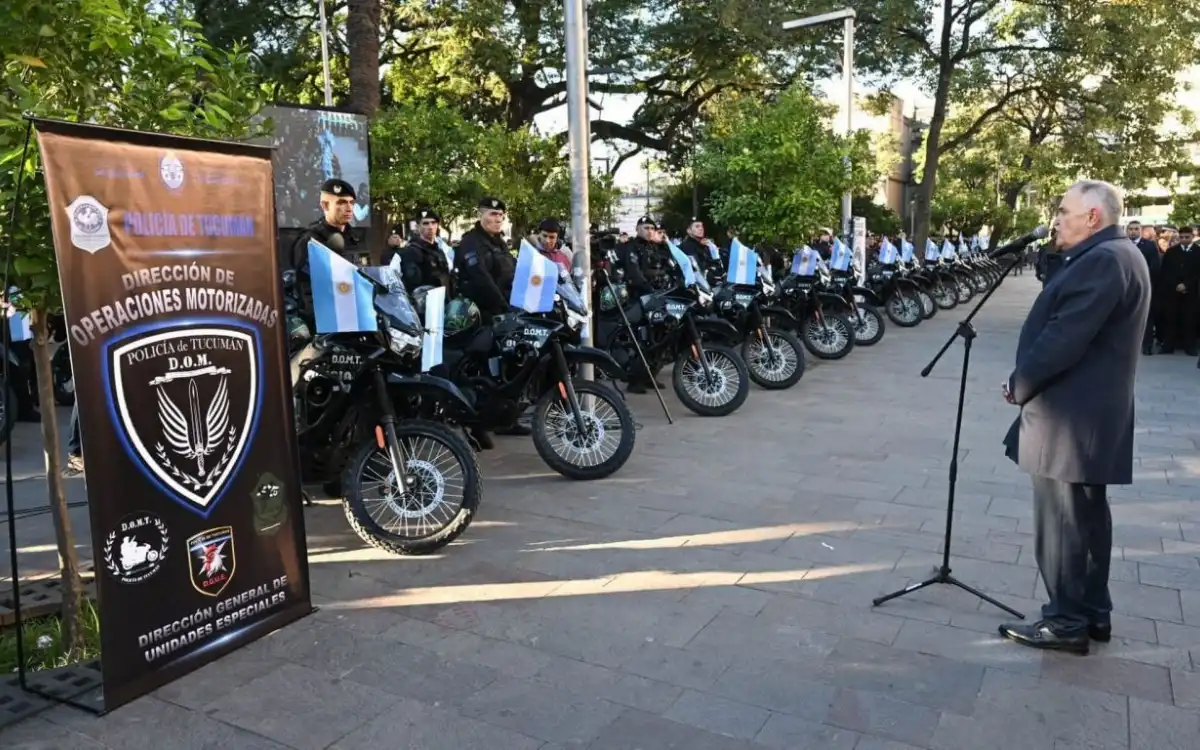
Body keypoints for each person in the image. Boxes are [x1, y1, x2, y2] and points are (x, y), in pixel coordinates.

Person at [998, 180, 1151, 655]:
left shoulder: (1103, 260)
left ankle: (1066, 621)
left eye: (1064, 211)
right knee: (1085, 520)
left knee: (1063, 524)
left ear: (1092, 217)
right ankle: (1092, 612)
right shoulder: (1118, 255)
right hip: (1087, 415)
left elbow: (1064, 338)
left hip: (1070, 418)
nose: (1057, 219)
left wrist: (1020, 384)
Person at [289, 179, 365, 323]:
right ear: (325, 205)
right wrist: (319, 320)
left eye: (351, 203)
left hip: (355, 316)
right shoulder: (311, 241)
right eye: (341, 203)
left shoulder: (353, 238)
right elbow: (306, 288)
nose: (349, 208)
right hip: (327, 321)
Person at [455, 197, 515, 319]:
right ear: (480, 215)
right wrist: (506, 309)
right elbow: (482, 279)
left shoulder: (500, 243)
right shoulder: (470, 242)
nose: (498, 219)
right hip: (483, 314)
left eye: (501, 215)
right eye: (493, 214)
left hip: (506, 308)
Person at [388, 208, 453, 294]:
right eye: (425, 223)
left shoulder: (442, 252)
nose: (430, 227)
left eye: (433, 223)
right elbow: (390, 283)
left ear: (437, 225)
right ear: (418, 226)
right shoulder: (404, 254)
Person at [1158, 224, 1199, 355]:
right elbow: (1165, 271)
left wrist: (1186, 285)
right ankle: (1168, 346)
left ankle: (1190, 346)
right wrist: (1176, 285)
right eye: (1182, 237)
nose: (1184, 240)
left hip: (1192, 292)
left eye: (1187, 237)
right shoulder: (1171, 252)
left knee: (1190, 320)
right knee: (1171, 319)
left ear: (1192, 236)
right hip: (1173, 291)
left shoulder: (1198, 252)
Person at [1127, 221, 1162, 355]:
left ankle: (1147, 345)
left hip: (1144, 285)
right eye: (1130, 229)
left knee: (1146, 316)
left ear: (1140, 230)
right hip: (1126, 286)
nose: (1133, 231)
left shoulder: (1149, 245)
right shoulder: (1123, 244)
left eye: (1136, 229)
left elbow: (1154, 266)